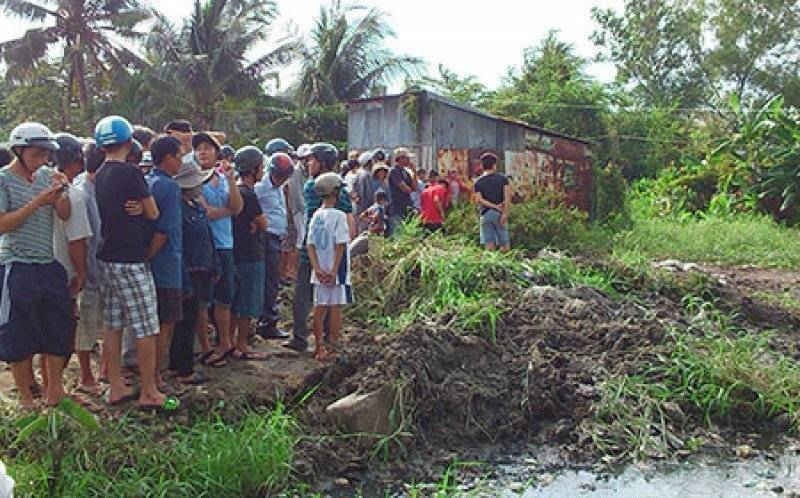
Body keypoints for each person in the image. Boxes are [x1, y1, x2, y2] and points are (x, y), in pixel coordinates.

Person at [94, 115, 178, 411]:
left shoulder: (100, 173)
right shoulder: (130, 174)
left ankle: (115, 384)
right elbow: (154, 213)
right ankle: (150, 390)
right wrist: (142, 206)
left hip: (106, 257)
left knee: (113, 323)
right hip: (130, 259)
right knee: (146, 326)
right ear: (129, 143)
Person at [0, 122, 72, 410]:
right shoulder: (3, 180)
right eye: (37, 154)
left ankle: (55, 390)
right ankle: (27, 399)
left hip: (46, 260)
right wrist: (38, 201)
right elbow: (3, 224)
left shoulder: (46, 177)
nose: (42, 160)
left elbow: (65, 214)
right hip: (16, 262)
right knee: (19, 331)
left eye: (45, 154)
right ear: (19, 150)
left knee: (58, 326)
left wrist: (60, 194)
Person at [286, 143, 354, 353]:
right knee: (333, 303)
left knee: (306, 297)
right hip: (335, 256)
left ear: (322, 163)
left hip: (312, 253)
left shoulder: (311, 187)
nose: (308, 163)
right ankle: (329, 341)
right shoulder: (340, 191)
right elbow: (349, 225)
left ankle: (302, 338)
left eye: (312, 160)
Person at [52, 134, 98, 394]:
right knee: (65, 335)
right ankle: (57, 391)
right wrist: (81, 274)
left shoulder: (39, 189)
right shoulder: (75, 195)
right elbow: (77, 242)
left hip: (45, 267)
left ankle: (48, 386)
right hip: (65, 271)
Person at [195, 131, 243, 367]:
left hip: (225, 244)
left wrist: (232, 180)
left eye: (207, 147)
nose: (202, 151)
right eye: (199, 148)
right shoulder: (193, 178)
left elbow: (237, 207)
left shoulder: (224, 178)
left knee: (224, 297)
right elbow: (209, 213)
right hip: (204, 247)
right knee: (203, 300)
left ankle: (225, 342)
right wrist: (227, 211)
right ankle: (206, 347)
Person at [171, 160, 215, 384]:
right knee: (185, 321)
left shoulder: (196, 205)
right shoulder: (178, 208)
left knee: (192, 315)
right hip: (189, 270)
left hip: (202, 268)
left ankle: (181, 363)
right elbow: (178, 243)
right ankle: (183, 368)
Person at [146, 136, 185, 389]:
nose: (181, 161)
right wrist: (149, 255)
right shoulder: (169, 187)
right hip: (166, 263)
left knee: (152, 322)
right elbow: (164, 230)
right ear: (168, 157)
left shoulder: (148, 182)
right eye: (179, 156)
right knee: (165, 322)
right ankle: (156, 375)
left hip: (153, 263)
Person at [307, 172, 352, 362]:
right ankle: (333, 345)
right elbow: (340, 244)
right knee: (335, 308)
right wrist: (334, 270)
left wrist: (316, 268)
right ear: (335, 192)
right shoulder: (339, 216)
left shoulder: (316, 215)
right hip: (336, 270)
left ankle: (319, 347)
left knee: (319, 308)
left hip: (319, 269)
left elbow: (310, 245)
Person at [231, 146, 269, 359]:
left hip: (237, 252)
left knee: (235, 302)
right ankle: (242, 344)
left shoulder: (235, 191)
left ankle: (232, 342)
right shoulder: (249, 195)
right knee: (247, 303)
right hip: (250, 254)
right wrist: (258, 224)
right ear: (253, 169)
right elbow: (263, 223)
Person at [254, 150, 295, 339]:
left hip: (276, 237)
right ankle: (267, 321)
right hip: (266, 237)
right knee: (270, 280)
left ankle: (266, 318)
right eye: (279, 175)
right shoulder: (260, 187)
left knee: (272, 279)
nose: (281, 179)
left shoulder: (279, 187)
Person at [473, 152, 511, 251]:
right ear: (494, 165)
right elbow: (507, 197)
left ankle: (491, 265)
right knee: (504, 245)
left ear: (482, 166)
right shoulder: (503, 179)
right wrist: (505, 213)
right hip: (500, 214)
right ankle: (505, 265)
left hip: (485, 215)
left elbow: (479, 200)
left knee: (489, 245)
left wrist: (493, 206)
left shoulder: (478, 182)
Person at [388, 147, 418, 234]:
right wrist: (410, 188)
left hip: (406, 207)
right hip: (397, 207)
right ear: (400, 159)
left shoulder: (406, 172)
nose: (409, 160)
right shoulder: (394, 171)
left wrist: (414, 172)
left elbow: (415, 187)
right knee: (398, 233)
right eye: (407, 158)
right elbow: (406, 189)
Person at [353, 150, 374, 233]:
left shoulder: (358, 174)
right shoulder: (366, 175)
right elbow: (367, 194)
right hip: (365, 209)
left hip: (359, 209)